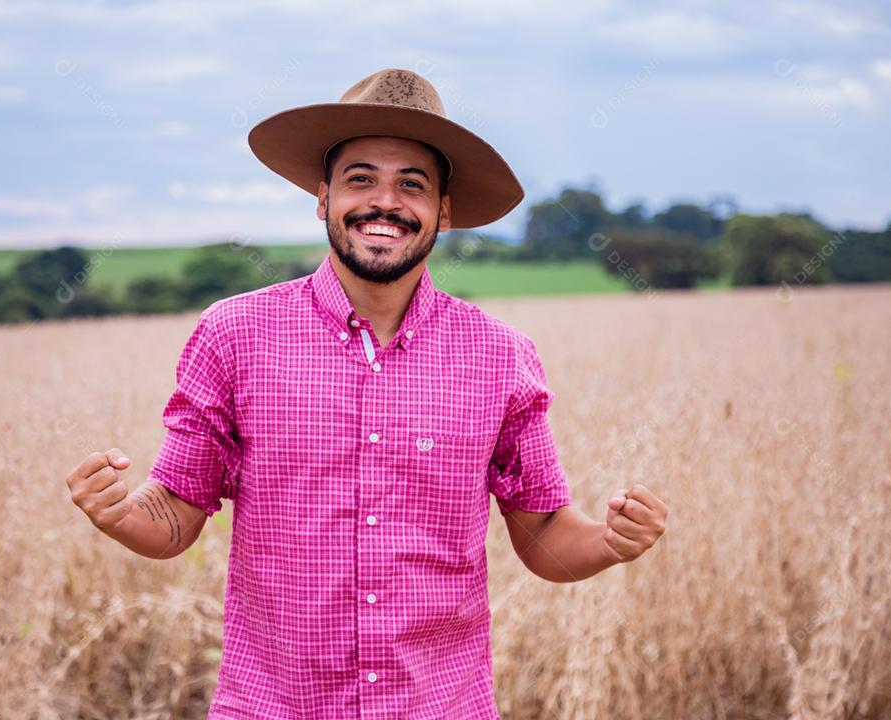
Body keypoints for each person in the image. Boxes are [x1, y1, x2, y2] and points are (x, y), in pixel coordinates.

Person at [64, 67, 669, 719]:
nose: (385, 203)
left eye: (412, 184)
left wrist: (610, 542)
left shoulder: (500, 356)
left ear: (444, 210)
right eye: (361, 180)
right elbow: (176, 513)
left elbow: (545, 535)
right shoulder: (234, 334)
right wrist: (120, 514)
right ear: (322, 197)